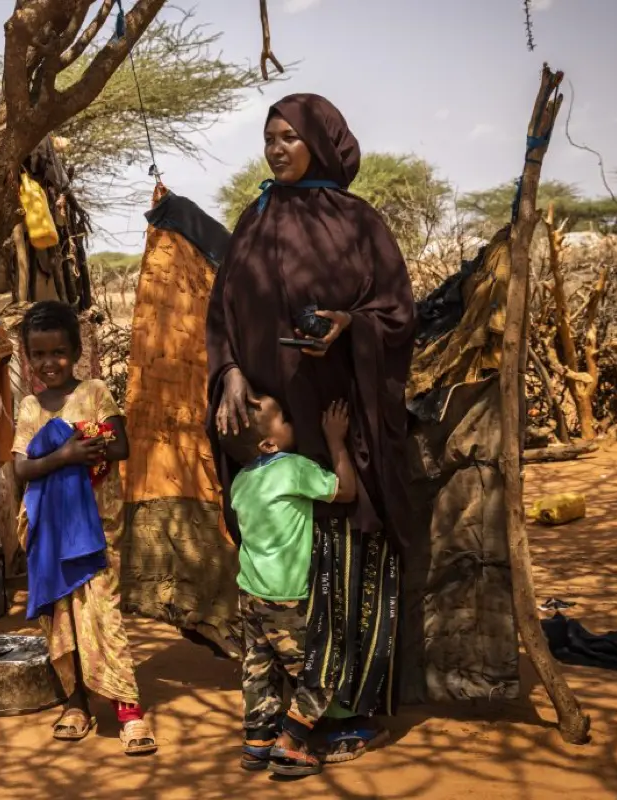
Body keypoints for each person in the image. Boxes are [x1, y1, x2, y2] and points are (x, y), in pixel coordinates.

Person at [206, 93, 416, 764]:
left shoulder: (360, 223)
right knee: (281, 576)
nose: (276, 148)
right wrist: (232, 371)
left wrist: (351, 328)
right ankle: (283, 721)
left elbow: (397, 314)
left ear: (321, 144)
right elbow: (221, 318)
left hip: (339, 422)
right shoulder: (254, 218)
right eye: (269, 136)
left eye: (290, 137)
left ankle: (341, 709)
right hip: (270, 430)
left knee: (347, 563)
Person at [12, 300, 158, 756]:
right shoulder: (31, 406)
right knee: (60, 617)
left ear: (75, 351)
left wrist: (85, 437)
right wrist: (66, 455)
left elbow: (120, 445)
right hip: (52, 531)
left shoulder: (94, 391)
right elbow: (21, 469)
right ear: (27, 357)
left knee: (103, 611)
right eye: (38, 354)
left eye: (58, 352)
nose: (48, 363)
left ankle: (128, 709)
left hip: (96, 527)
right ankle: (76, 702)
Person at [223, 395, 356, 776]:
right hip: (288, 596)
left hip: (250, 592)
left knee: (258, 669)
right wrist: (335, 440)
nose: (293, 420)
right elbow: (346, 491)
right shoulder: (294, 469)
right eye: (284, 417)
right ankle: (291, 742)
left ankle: (257, 743)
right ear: (269, 444)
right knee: (320, 667)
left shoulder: (241, 482)